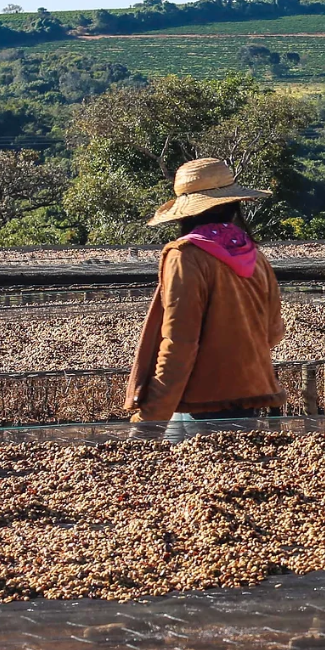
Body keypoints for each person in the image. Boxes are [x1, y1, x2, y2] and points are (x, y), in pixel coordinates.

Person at [126, 158, 286, 441]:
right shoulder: (255, 257)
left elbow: (179, 343)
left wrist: (150, 419)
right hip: (248, 400)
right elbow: (273, 334)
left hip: (197, 404)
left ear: (184, 212)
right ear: (233, 205)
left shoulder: (185, 256)